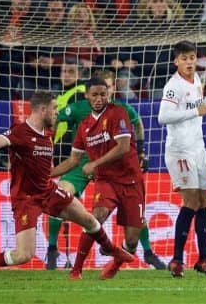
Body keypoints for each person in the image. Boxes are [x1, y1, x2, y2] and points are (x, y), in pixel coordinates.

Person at [0, 91, 133, 282]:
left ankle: (112, 250)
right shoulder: (20, 132)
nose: (57, 113)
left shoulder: (49, 133)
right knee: (23, 255)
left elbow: (45, 165)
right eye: (54, 109)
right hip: (26, 199)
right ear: (43, 110)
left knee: (90, 221)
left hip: (48, 191)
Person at [46, 69, 166, 271]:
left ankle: (144, 252)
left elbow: (133, 132)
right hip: (88, 164)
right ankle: (55, 252)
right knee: (67, 198)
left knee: (134, 228)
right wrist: (47, 151)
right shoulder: (79, 112)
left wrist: (142, 151)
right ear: (88, 94)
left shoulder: (122, 110)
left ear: (110, 91)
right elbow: (56, 123)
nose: (102, 96)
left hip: (117, 168)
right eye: (97, 92)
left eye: (107, 90)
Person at [158, 40, 206, 278]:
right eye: (184, 58)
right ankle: (176, 260)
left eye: (192, 57)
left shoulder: (196, 80)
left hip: (198, 148)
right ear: (176, 61)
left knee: (205, 201)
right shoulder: (173, 86)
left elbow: (200, 112)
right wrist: (197, 110)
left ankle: (204, 259)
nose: (189, 62)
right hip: (180, 150)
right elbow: (163, 117)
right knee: (191, 202)